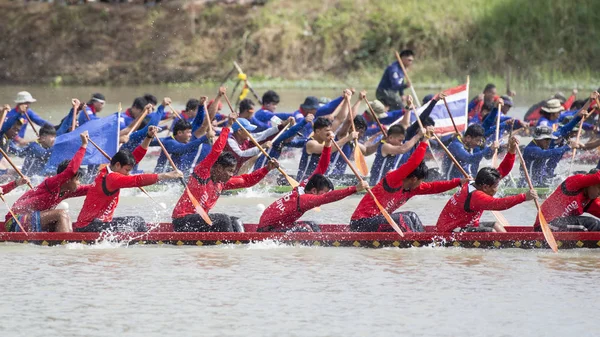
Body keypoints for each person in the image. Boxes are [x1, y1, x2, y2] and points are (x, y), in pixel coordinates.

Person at [171, 122, 279, 232]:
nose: (232, 175)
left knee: (236, 221)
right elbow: (216, 151)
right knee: (223, 220)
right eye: (229, 171)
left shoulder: (222, 183)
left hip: (200, 220)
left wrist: (267, 169)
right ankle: (231, 243)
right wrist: (227, 127)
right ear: (218, 168)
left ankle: (240, 243)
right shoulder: (202, 173)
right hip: (182, 221)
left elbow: (247, 181)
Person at [75, 126, 183, 232]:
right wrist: (167, 175)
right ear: (117, 165)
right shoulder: (111, 178)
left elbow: (136, 156)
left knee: (136, 222)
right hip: (88, 227)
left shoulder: (108, 171)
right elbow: (137, 180)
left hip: (97, 223)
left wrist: (148, 137)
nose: (128, 174)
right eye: (127, 170)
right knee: (137, 222)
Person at [352, 138, 467, 232]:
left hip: (379, 220)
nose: (422, 184)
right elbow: (413, 163)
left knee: (412, 216)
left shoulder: (413, 188)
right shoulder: (393, 180)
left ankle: (424, 240)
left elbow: (435, 187)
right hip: (361, 223)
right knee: (404, 219)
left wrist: (458, 182)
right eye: (421, 180)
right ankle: (417, 242)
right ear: (414, 178)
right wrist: (424, 141)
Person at [258, 134, 367, 232]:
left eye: (325, 193)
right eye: (323, 193)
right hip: (267, 230)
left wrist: (327, 144)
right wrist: (355, 189)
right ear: (314, 191)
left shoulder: (304, 185)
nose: (324, 196)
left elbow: (322, 167)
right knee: (306, 230)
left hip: (275, 224)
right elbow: (329, 197)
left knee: (313, 226)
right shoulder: (305, 199)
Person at [436, 136, 537, 232]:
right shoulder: (476, 196)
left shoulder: (475, 183)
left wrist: (512, 150)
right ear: (485, 187)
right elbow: (499, 204)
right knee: (491, 231)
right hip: (450, 230)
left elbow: (503, 170)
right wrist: (524, 197)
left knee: (496, 225)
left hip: (465, 225)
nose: (497, 189)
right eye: (496, 186)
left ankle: (509, 245)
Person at [5, 132, 90, 233]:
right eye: (77, 179)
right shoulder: (51, 183)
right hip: (15, 221)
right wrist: (84, 145)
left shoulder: (67, 190)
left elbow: (92, 188)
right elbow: (71, 171)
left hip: (30, 221)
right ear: (67, 179)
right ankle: (66, 243)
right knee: (61, 214)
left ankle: (66, 242)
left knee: (65, 217)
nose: (79, 183)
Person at [534, 168, 600, 231]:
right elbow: (597, 177)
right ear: (590, 183)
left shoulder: (589, 202)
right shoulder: (573, 183)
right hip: (544, 226)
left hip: (558, 227)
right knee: (593, 223)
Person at [296, 116, 357, 181]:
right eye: (327, 130)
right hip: (303, 182)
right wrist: (347, 138)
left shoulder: (324, 140)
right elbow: (328, 150)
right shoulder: (311, 143)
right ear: (318, 131)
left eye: (330, 130)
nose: (330, 133)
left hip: (317, 182)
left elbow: (340, 118)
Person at [224, 117, 288, 174]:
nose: (250, 133)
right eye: (248, 130)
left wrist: (281, 126)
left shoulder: (247, 139)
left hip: (235, 173)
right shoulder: (230, 141)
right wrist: (261, 147)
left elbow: (264, 135)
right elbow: (240, 155)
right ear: (240, 131)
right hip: (225, 175)